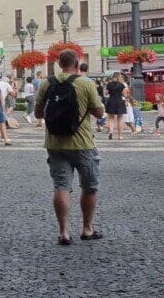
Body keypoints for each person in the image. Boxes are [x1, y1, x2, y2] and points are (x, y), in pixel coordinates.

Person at [34, 49, 105, 245]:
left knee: (61, 186)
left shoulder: (47, 83)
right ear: (77, 62)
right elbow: (99, 113)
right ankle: (87, 229)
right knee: (89, 187)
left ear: (58, 63)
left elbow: (38, 114)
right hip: (82, 143)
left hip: (55, 142)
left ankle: (64, 232)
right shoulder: (86, 83)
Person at [104, 72, 127, 140]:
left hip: (111, 101)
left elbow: (106, 93)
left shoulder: (109, 84)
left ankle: (111, 131)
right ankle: (120, 136)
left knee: (111, 118)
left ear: (113, 77)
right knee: (120, 119)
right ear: (119, 77)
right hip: (119, 102)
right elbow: (125, 95)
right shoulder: (121, 85)